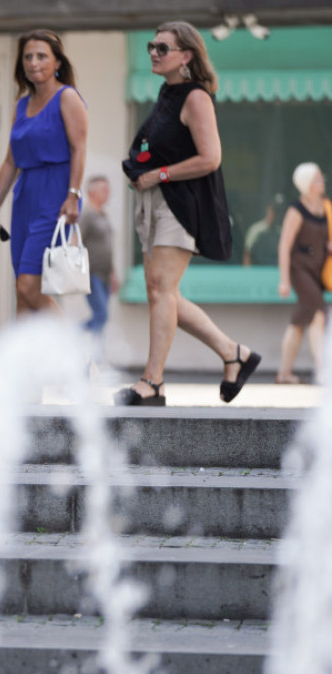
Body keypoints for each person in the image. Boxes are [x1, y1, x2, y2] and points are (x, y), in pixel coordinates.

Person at [116, 21, 260, 406]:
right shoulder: (168, 94)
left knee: (161, 290)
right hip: (158, 200)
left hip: (181, 205)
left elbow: (211, 158)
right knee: (161, 291)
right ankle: (234, 353)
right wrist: (140, 171)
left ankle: (153, 383)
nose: (153, 52)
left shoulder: (195, 97)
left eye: (162, 48)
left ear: (187, 56)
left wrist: (159, 174)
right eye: (151, 45)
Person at [0, 29, 88, 319]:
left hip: (57, 195)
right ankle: (26, 363)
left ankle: (79, 354)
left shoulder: (67, 97)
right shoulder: (21, 105)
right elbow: (10, 162)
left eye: (42, 56)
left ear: (57, 63)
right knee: (22, 286)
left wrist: (73, 195)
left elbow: (79, 149)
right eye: (28, 57)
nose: (33, 62)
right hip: (25, 196)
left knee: (30, 286)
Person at [275, 163, 330, 384]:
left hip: (318, 269)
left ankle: (284, 373)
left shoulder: (326, 208)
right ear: (307, 184)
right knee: (319, 314)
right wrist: (284, 280)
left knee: (298, 322)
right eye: (317, 179)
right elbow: (284, 245)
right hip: (300, 269)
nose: (322, 182)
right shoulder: (296, 210)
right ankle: (323, 369)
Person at [79, 175, 118, 344]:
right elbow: (76, 241)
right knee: (101, 315)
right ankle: (71, 334)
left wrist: (112, 273)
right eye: (104, 190)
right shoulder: (86, 214)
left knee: (101, 318)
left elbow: (107, 247)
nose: (107, 193)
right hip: (91, 273)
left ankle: (97, 359)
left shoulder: (103, 215)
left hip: (104, 275)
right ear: (91, 192)